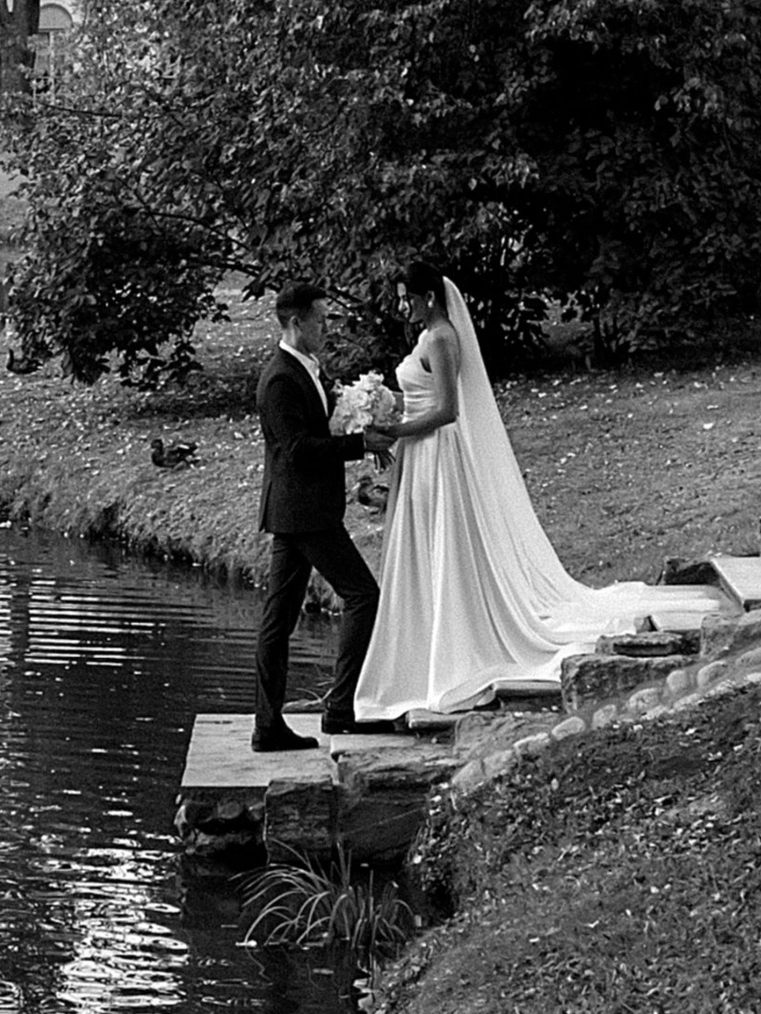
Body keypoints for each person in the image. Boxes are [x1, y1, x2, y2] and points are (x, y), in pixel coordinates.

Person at [352, 257, 716, 721]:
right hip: (418, 456)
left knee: (446, 546)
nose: (402, 307)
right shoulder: (424, 337)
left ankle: (453, 645)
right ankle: (423, 644)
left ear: (428, 297)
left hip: (438, 455)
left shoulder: (443, 338)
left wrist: (395, 429)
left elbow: (446, 410)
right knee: (423, 549)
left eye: (408, 298)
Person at [250, 279, 381, 752]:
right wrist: (360, 443)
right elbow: (297, 449)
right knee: (363, 595)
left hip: (298, 510)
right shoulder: (281, 377)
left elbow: (316, 428)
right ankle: (340, 709)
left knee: (279, 619)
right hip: (303, 511)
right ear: (296, 322)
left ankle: (269, 726)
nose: (327, 327)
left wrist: (356, 420)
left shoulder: (305, 368)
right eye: (321, 320)